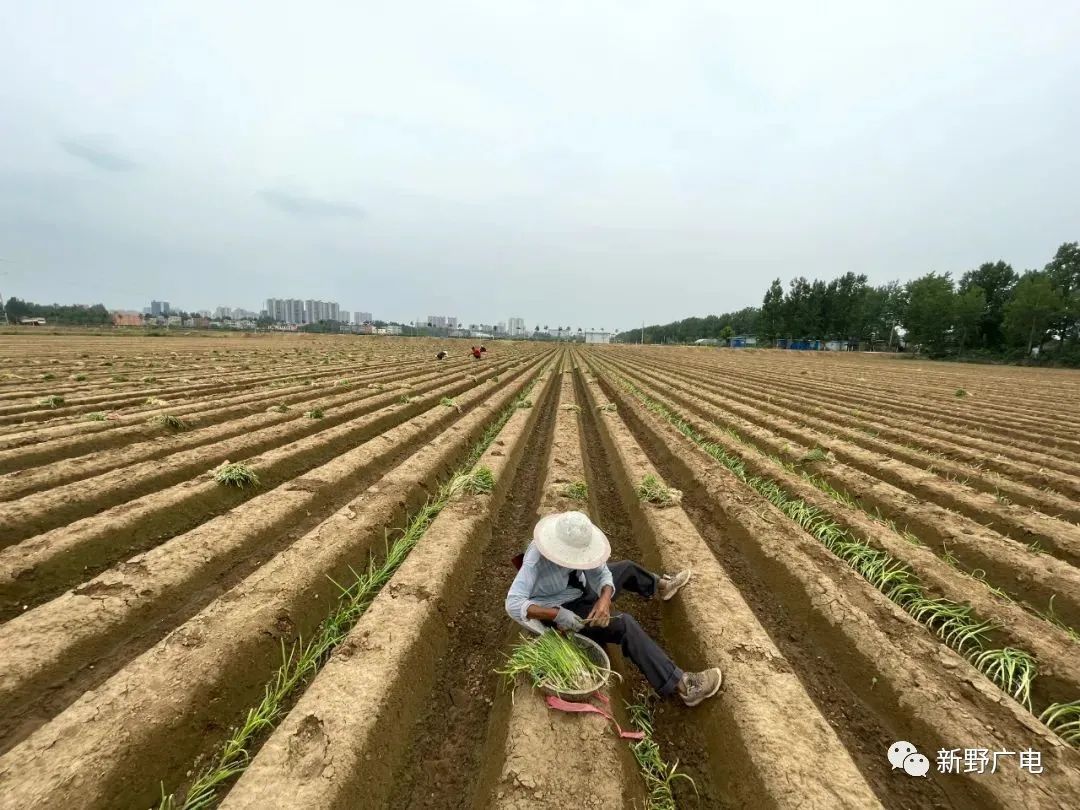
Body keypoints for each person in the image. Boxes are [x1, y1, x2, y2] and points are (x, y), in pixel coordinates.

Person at [505, 510, 723, 706]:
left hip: (582, 590)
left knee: (626, 568)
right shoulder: (536, 560)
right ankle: (684, 685)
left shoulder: (580, 550)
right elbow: (513, 603)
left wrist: (604, 599)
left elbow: (601, 574)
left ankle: (662, 585)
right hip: (560, 607)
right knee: (625, 624)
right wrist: (557, 614)